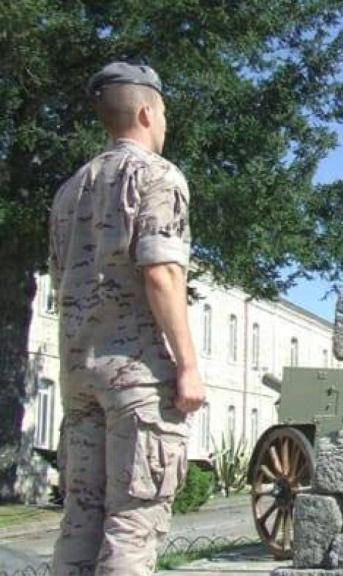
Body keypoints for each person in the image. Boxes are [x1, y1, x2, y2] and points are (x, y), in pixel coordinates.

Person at [48, 61, 205, 575]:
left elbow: (61, 281)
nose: (164, 123)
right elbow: (161, 274)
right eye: (162, 113)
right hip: (136, 377)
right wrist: (187, 365)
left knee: (80, 521)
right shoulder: (158, 176)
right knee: (132, 526)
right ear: (145, 111)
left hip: (78, 377)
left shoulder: (70, 191)